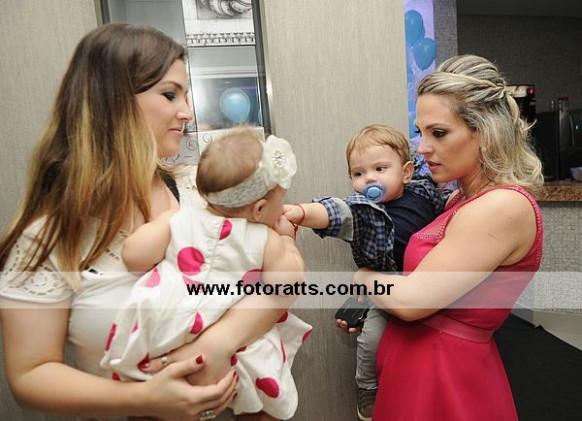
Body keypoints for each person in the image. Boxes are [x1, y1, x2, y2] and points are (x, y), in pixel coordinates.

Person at [0, 23, 293, 421]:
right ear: (112, 101)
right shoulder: (48, 238)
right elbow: (30, 375)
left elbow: (283, 278)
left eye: (186, 95)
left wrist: (215, 345)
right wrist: (144, 398)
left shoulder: (201, 194)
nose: (187, 112)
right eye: (170, 94)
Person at [349, 55, 544, 421]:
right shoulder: (459, 198)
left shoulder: (503, 205)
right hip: (415, 363)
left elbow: (412, 300)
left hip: (445, 375)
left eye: (438, 133)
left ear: (485, 133)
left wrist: (362, 277)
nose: (422, 147)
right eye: (421, 132)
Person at [100, 127, 311, 421]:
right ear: (260, 209)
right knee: (263, 380)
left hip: (166, 329)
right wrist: (287, 241)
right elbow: (288, 285)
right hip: (232, 343)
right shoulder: (265, 240)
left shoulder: (179, 217)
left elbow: (134, 256)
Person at [284, 124, 447, 421]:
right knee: (371, 338)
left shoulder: (423, 193)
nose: (369, 178)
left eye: (380, 169)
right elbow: (335, 212)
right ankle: (367, 387)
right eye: (358, 173)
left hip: (427, 284)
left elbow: (445, 208)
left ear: (406, 172)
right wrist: (301, 212)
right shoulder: (362, 209)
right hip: (385, 286)